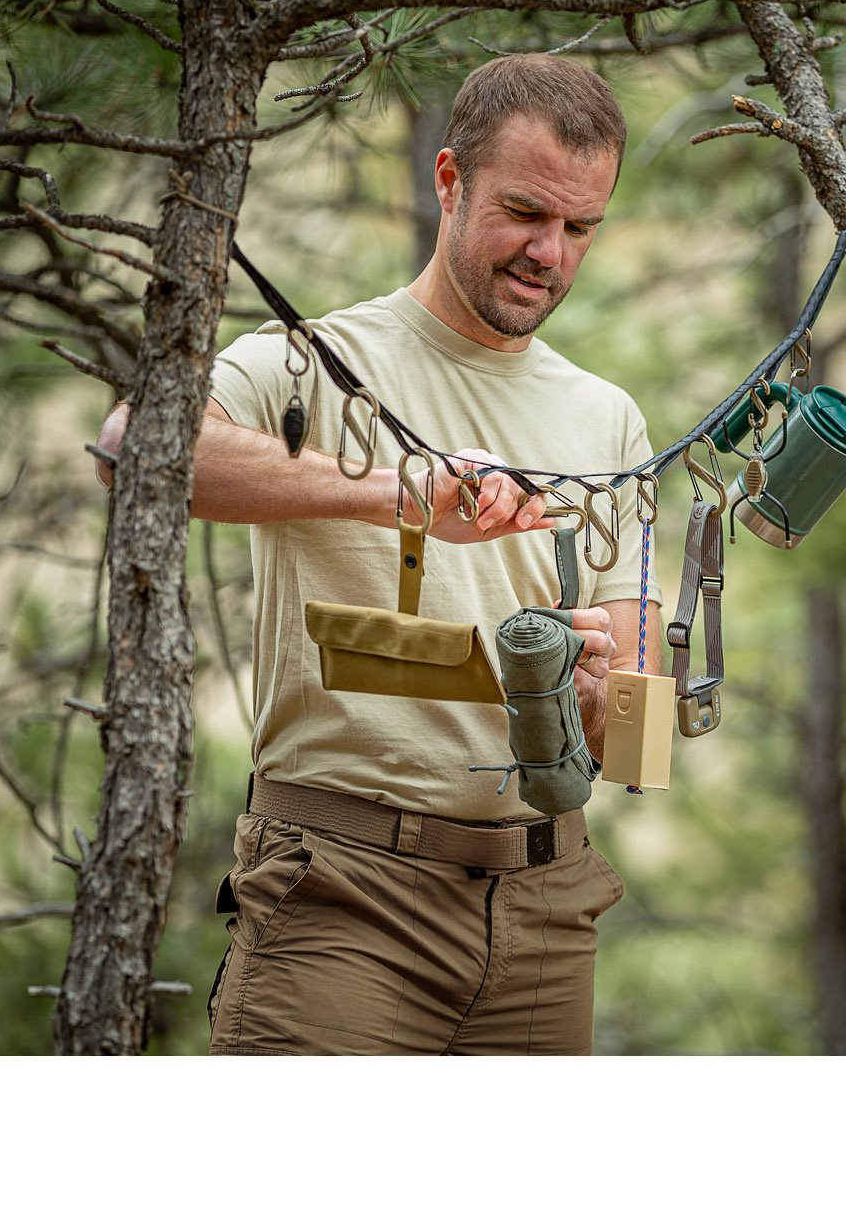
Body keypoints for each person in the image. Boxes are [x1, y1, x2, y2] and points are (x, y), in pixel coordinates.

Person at [98, 53, 663, 1055]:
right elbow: (130, 445)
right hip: (341, 897)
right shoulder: (308, 363)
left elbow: (631, 722)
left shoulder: (607, 416)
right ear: (448, 181)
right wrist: (395, 493)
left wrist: (594, 686)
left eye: (580, 228)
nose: (550, 252)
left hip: (545, 910)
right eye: (525, 212)